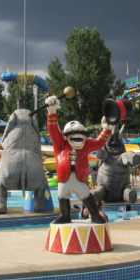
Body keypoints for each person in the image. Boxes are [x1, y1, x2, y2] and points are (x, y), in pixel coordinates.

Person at [46, 95, 113, 224]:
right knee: (62, 196)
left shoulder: (86, 145)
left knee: (86, 196)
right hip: (64, 179)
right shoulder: (60, 144)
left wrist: (107, 129)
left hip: (80, 180)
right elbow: (53, 130)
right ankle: (65, 216)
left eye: (81, 135)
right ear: (66, 136)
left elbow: (99, 143)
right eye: (73, 135)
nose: (78, 137)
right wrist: (52, 112)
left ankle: (95, 215)